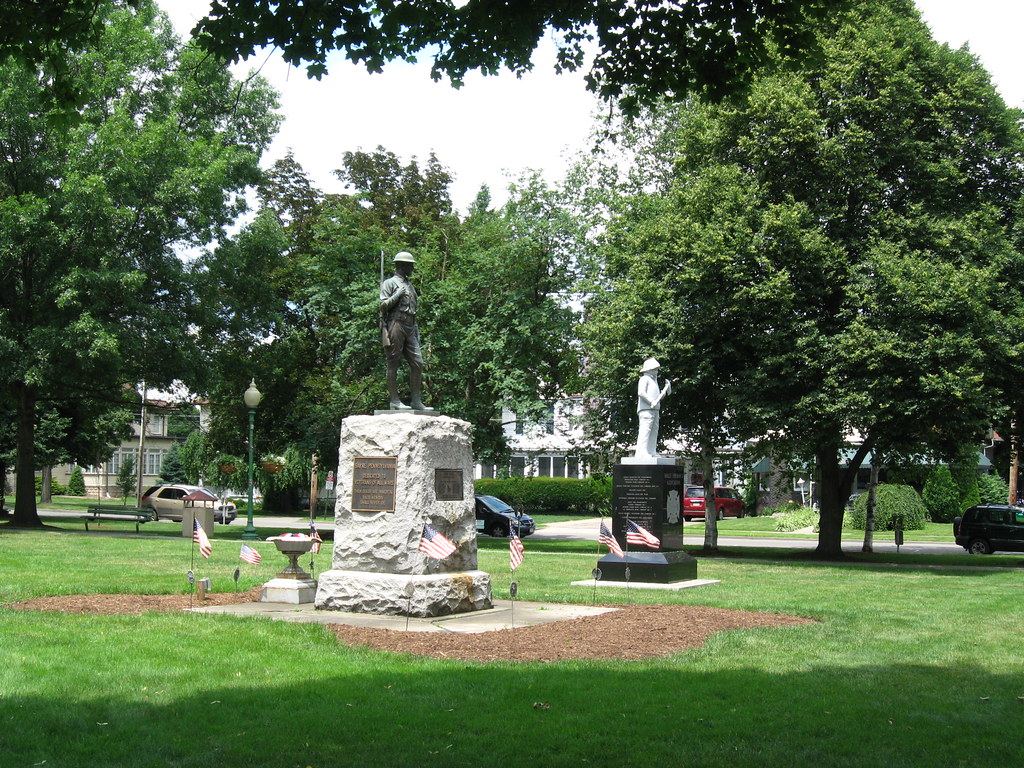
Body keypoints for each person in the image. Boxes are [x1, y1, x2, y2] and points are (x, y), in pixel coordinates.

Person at [379, 251, 428, 410]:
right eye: (410, 265)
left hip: (410, 325)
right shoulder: (390, 283)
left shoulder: (410, 285)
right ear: (402, 265)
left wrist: (415, 329)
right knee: (393, 362)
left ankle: (416, 401)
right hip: (396, 323)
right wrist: (397, 295)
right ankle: (394, 400)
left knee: (418, 363)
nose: (412, 268)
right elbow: (383, 305)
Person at [635, 357, 671, 458]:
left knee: (654, 431)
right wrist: (651, 401)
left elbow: (658, 396)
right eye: (655, 369)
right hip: (646, 409)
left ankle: (651, 451)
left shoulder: (654, 381)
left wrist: (664, 391)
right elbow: (641, 392)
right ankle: (642, 452)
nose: (657, 371)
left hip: (655, 409)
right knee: (645, 430)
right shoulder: (644, 379)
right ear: (649, 369)